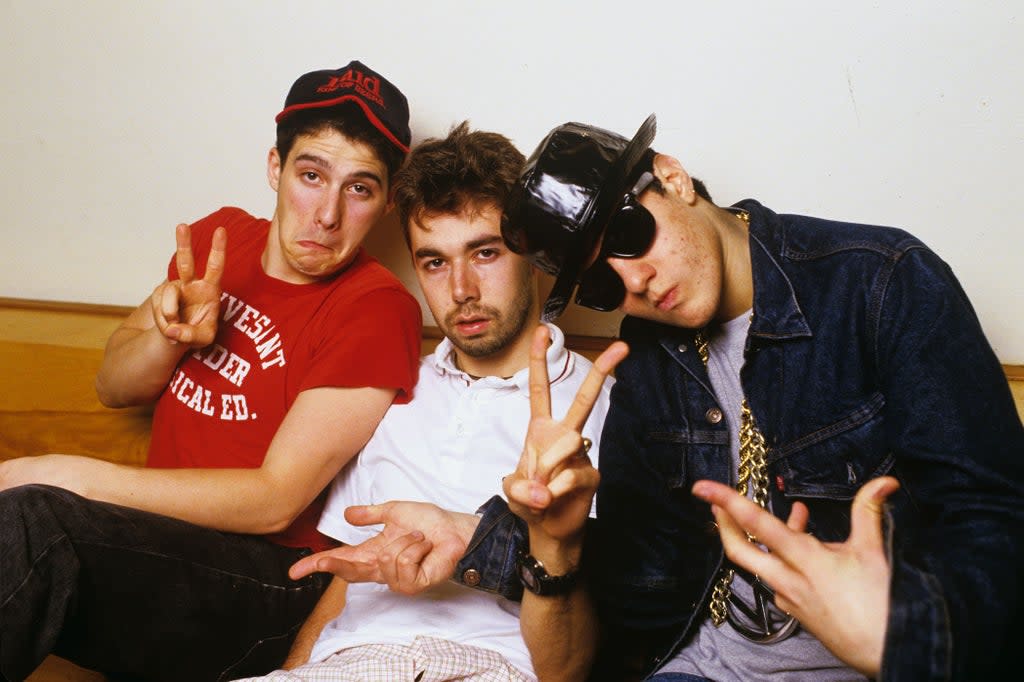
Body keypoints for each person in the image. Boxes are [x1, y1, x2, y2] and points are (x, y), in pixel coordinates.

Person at [317, 114, 1024, 681]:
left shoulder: (880, 284)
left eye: (628, 235)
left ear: (672, 179)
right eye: (600, 285)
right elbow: (630, 585)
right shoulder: (648, 362)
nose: (634, 280)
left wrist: (905, 634)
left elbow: (996, 523)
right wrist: (496, 538)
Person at [0, 61, 422, 682]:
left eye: (359, 188)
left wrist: (72, 478)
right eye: (311, 175)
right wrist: (168, 343)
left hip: (273, 587)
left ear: (386, 202)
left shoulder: (378, 309)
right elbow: (112, 386)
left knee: (35, 522)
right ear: (276, 170)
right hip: (147, 544)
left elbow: (276, 501)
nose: (327, 214)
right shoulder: (222, 239)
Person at [238, 122, 618, 682]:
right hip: (352, 664)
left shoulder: (603, 406)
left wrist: (540, 536)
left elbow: (575, 662)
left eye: (485, 252)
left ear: (535, 256)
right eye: (434, 261)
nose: (460, 289)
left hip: (493, 666)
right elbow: (346, 582)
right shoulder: (390, 393)